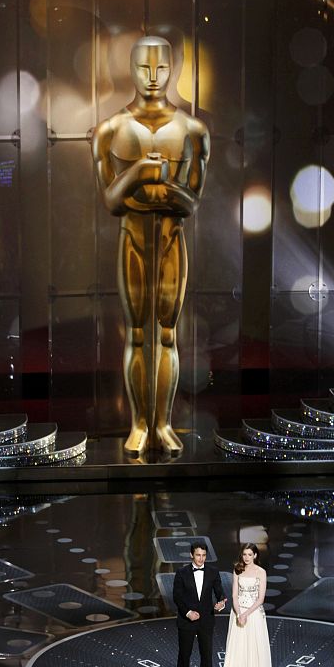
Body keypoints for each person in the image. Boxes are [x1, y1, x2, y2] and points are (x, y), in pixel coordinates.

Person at [91, 35, 210, 458]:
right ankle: (140, 424)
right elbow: (110, 201)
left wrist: (152, 189)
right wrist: (143, 174)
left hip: (172, 242)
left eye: (162, 68)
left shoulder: (193, 130)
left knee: (167, 333)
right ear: (131, 68)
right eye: (145, 67)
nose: (154, 77)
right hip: (134, 240)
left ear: (173, 68)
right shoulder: (110, 130)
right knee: (137, 333)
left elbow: (192, 202)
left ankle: (163, 423)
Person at [218, 543, 279, 667]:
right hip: (238, 614)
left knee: (254, 649)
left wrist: (245, 614)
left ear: (255, 556)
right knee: (238, 649)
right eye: (244, 555)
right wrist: (239, 614)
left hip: (254, 615)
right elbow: (235, 596)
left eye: (249, 555)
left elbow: (261, 599)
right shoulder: (237, 570)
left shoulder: (261, 572)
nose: (246, 558)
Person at [172, 541, 226, 667]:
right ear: (191, 555)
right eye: (198, 555)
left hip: (206, 620)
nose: (201, 559)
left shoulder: (213, 572)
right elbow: (177, 597)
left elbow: (219, 592)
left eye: (203, 555)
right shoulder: (181, 573)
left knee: (207, 655)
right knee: (184, 655)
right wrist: (188, 613)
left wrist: (221, 602)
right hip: (186, 620)